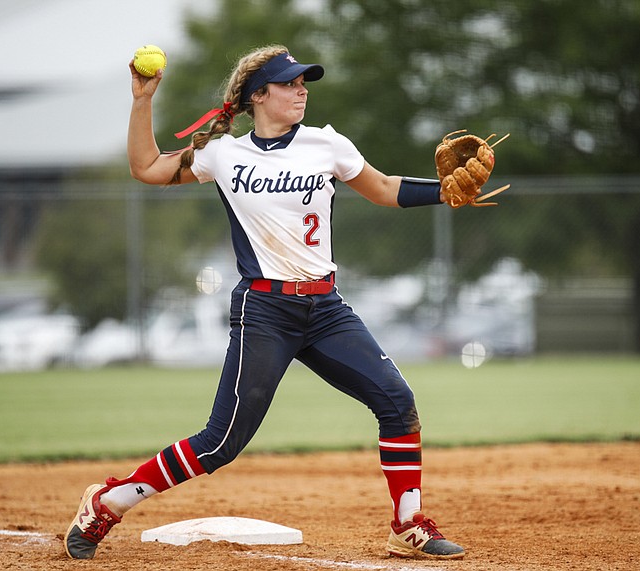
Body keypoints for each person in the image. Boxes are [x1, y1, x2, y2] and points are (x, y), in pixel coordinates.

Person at [65, 44, 465, 561]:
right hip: (265, 310)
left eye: (304, 82)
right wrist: (143, 100)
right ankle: (109, 501)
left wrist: (445, 192)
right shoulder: (223, 153)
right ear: (259, 95)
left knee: (397, 402)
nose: (302, 89)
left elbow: (385, 188)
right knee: (221, 442)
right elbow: (146, 167)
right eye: (290, 82)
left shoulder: (326, 144)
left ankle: (408, 524)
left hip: (325, 309)